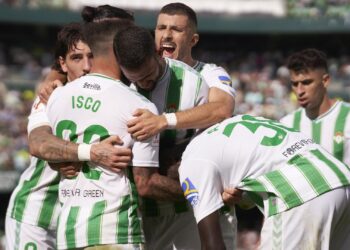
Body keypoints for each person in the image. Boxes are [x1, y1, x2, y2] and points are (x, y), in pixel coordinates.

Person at [47, 20, 185, 250]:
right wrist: (199, 192)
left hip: (69, 232)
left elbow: (45, 146)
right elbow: (146, 184)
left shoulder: (56, 96)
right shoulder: (138, 106)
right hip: (115, 231)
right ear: (118, 51)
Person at [114, 25, 234, 250]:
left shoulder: (192, 83)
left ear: (158, 52)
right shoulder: (116, 86)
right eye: (136, 80)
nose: (144, 85)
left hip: (184, 213)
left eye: (148, 76)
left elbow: (212, 139)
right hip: (137, 214)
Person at [179, 114, 350, 250]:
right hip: (340, 177)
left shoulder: (192, 159)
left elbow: (213, 246)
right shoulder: (240, 121)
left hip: (300, 191)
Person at [5, 23, 107, 250]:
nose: (86, 66)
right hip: (37, 217)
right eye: (77, 58)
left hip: (77, 222)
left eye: (92, 57)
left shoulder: (111, 97)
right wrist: (75, 155)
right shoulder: (50, 96)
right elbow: (39, 144)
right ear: (63, 63)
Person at [154, 3, 239, 248]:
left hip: (205, 208)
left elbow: (221, 109)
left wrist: (165, 121)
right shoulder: (140, 77)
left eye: (176, 30)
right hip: (153, 209)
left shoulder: (210, 73)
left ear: (193, 39)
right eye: (161, 28)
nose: (167, 35)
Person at [280, 48, 350, 166]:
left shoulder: (348, 117)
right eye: (295, 84)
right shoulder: (287, 124)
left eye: (307, 82)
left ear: (325, 81)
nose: (299, 91)